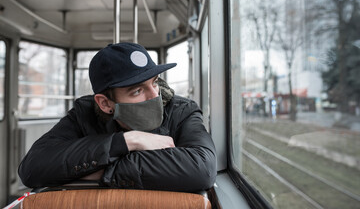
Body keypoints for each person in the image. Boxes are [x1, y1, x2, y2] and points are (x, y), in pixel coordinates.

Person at [18, 42, 217, 192]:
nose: (155, 95)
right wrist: (126, 141)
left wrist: (106, 171)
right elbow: (32, 167)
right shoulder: (84, 114)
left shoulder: (181, 111)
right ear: (105, 104)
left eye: (154, 82)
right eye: (137, 90)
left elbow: (203, 169)